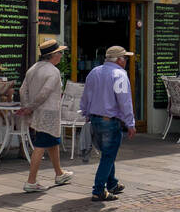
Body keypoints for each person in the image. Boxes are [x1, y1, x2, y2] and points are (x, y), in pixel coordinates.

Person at [79, 45, 136, 202]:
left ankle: (112, 183)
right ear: (118, 60)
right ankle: (98, 190)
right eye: (125, 58)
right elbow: (125, 101)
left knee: (107, 152)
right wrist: (130, 123)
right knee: (108, 155)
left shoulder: (94, 72)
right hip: (109, 121)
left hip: (95, 119)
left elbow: (85, 96)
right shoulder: (120, 75)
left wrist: (85, 113)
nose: (126, 61)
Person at [20, 39, 73, 193]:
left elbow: (23, 90)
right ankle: (31, 181)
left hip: (38, 113)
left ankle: (59, 173)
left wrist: (27, 107)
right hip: (48, 113)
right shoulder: (53, 71)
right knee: (41, 145)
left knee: (52, 142)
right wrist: (30, 107)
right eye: (60, 53)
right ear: (53, 55)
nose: (61, 56)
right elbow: (45, 93)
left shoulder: (32, 69)